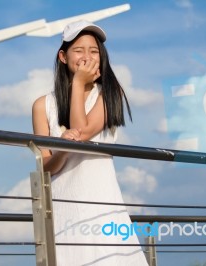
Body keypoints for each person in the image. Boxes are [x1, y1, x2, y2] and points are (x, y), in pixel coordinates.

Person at [32, 20, 148, 266]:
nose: (87, 56)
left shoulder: (110, 94)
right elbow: (45, 167)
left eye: (93, 51)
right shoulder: (43, 105)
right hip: (63, 207)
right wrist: (61, 149)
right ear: (63, 56)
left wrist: (77, 83)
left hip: (102, 202)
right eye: (79, 50)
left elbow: (81, 132)